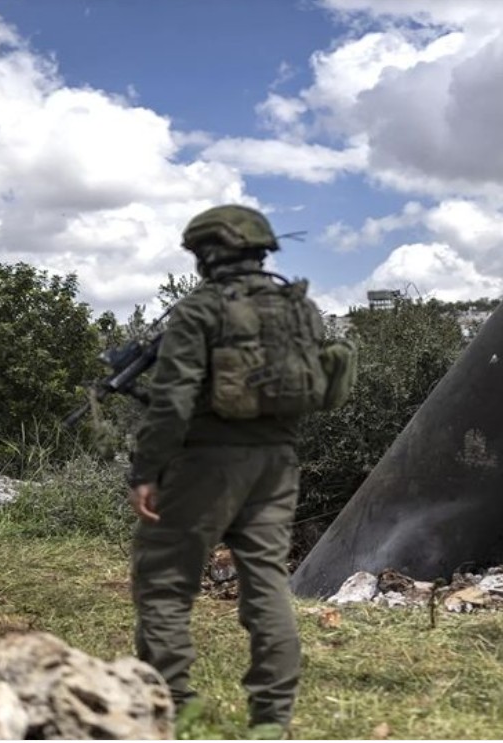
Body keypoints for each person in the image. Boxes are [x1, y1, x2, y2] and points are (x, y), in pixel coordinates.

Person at [128, 204, 351, 739]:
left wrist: (147, 470)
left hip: (205, 462)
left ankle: (178, 710)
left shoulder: (200, 309)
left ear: (207, 254)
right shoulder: (301, 309)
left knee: (163, 585)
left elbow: (172, 400)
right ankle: (271, 723)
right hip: (277, 463)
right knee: (267, 583)